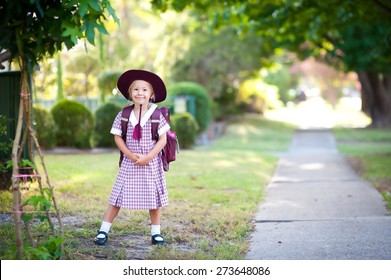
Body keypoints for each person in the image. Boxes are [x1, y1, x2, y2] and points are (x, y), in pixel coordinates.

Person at [94, 69, 170, 246]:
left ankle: (156, 232)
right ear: (129, 93)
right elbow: (117, 136)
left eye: (145, 90)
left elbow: (163, 139)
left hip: (151, 163)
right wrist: (130, 155)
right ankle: (103, 230)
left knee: (153, 198)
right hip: (130, 163)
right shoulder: (124, 114)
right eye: (136, 89)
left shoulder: (157, 115)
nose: (140, 93)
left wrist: (148, 157)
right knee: (117, 196)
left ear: (152, 95)